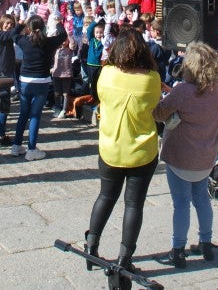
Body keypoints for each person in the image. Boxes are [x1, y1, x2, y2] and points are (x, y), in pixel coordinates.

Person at [85, 28, 162, 277]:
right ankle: (124, 258)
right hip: (141, 150)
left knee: (105, 196)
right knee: (133, 205)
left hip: (110, 146)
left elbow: (98, 97)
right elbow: (155, 107)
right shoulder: (151, 79)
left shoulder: (106, 73)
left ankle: (91, 248)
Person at [152, 42, 218, 269]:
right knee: (202, 199)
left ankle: (178, 250)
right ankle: (206, 242)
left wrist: (166, 94)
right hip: (205, 155)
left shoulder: (183, 90)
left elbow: (158, 113)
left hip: (182, 156)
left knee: (181, 204)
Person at [9, 11, 67, 160]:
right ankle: (31, 148)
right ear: (43, 27)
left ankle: (16, 145)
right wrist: (58, 21)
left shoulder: (24, 41)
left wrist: (22, 21)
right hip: (41, 81)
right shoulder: (48, 42)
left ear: (29, 27)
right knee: (35, 115)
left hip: (25, 81)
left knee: (24, 113)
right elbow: (63, 35)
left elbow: (13, 34)